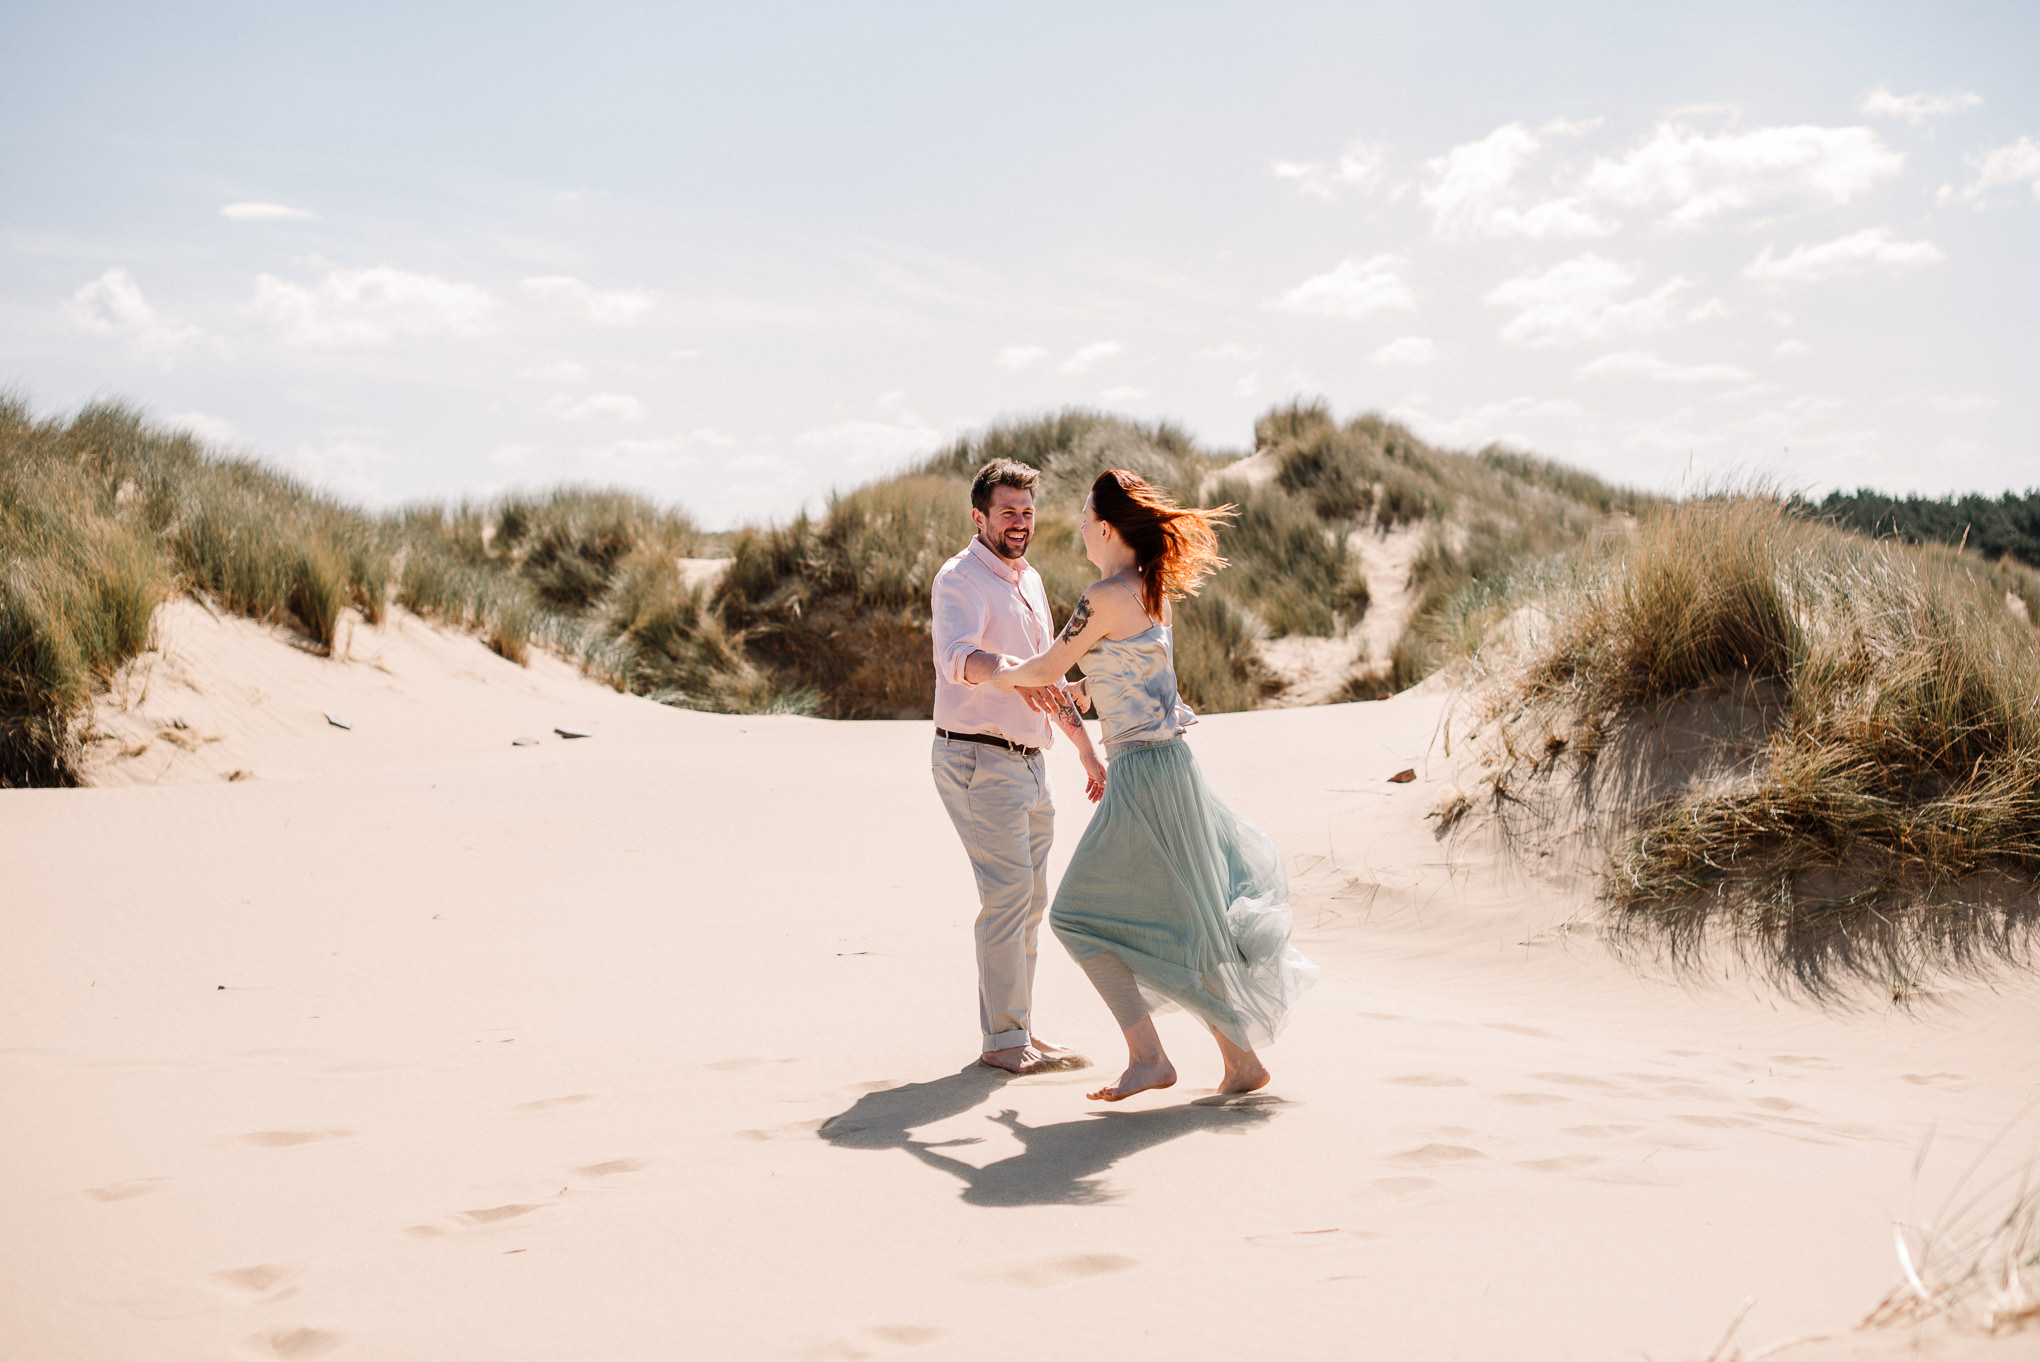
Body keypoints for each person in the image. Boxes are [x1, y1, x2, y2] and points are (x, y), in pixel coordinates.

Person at [989, 469, 1316, 1101]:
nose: (1080, 527)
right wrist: (1082, 692)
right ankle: (1241, 1063)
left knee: (1077, 916)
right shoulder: (1150, 589)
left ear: (1107, 527)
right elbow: (1130, 674)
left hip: (1141, 771)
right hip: (1172, 767)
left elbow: (1048, 666)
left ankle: (1148, 1057)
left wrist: (995, 677)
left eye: (1085, 517)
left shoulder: (1104, 593)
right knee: (1189, 922)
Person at [929, 458, 1107, 1075]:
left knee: (1030, 902)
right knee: (1006, 898)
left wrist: (1084, 748)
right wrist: (1006, 672)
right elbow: (958, 657)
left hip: (1032, 762)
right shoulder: (959, 579)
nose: (1019, 522)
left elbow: (1048, 674)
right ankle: (1004, 1043)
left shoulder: (1027, 581)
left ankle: (1020, 1031)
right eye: (1007, 511)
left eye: (1027, 511)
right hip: (977, 757)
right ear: (979, 517)